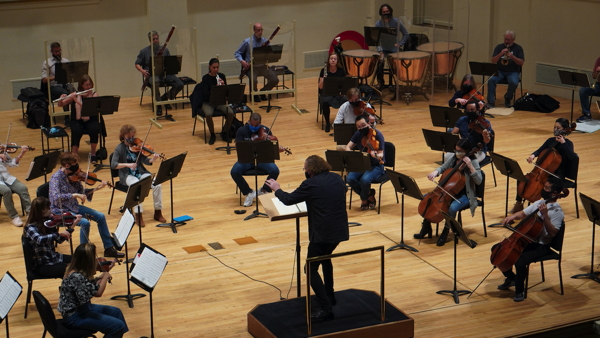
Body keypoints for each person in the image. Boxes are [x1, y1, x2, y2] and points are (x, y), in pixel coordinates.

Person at [264, 155, 348, 321]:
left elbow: (288, 200)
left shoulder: (310, 184)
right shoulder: (337, 178)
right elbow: (339, 191)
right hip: (340, 231)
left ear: (309, 171)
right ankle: (330, 296)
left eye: (305, 169)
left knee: (309, 269)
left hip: (322, 234)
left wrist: (277, 188)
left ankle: (326, 309)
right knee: (325, 259)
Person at [496, 177, 564, 302]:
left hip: (542, 246)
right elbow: (522, 214)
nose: (543, 190)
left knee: (520, 261)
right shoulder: (539, 203)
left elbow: (553, 233)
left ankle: (519, 290)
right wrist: (511, 217)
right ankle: (511, 278)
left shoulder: (557, 212)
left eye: (546, 188)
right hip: (528, 240)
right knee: (497, 249)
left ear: (554, 193)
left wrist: (545, 216)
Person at [49, 152, 124, 258]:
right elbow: (56, 196)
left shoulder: (73, 175)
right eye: (75, 164)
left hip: (73, 207)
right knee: (84, 223)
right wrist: (74, 195)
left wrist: (97, 188)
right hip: (59, 210)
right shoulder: (55, 179)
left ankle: (109, 248)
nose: (78, 167)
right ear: (67, 166)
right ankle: (83, 254)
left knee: (101, 216)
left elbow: (82, 191)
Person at [414, 138, 483, 246]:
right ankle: (426, 227)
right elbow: (443, 167)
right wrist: (435, 172)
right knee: (426, 199)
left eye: (460, 151)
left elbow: (479, 180)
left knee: (452, 208)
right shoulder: (454, 158)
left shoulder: (473, 162)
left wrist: (470, 167)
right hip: (447, 193)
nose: (457, 153)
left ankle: (445, 231)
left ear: (467, 151)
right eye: (456, 150)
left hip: (465, 195)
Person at [58, 243, 128, 338]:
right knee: (118, 326)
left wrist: (103, 274)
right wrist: (105, 275)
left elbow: (90, 286)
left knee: (116, 312)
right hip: (75, 316)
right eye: (93, 259)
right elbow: (97, 293)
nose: (96, 261)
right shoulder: (76, 277)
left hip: (82, 309)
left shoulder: (75, 269)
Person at [509, 118, 576, 214]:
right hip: (545, 172)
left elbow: (572, 157)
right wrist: (533, 155)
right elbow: (540, 150)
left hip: (557, 175)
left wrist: (563, 143)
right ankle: (518, 204)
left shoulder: (568, 143)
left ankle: (540, 210)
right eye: (554, 127)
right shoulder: (550, 141)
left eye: (558, 128)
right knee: (522, 179)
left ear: (565, 129)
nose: (555, 130)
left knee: (546, 186)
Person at [111, 124, 166, 227]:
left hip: (140, 172)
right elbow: (113, 165)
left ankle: (158, 212)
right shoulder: (119, 148)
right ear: (123, 136)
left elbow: (145, 160)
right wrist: (127, 164)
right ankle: (138, 215)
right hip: (127, 175)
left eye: (133, 136)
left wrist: (153, 159)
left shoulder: (137, 145)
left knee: (157, 184)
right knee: (137, 186)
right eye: (129, 137)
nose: (131, 139)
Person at [231, 112, 282, 207]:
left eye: (257, 124)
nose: (254, 126)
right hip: (247, 159)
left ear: (260, 122)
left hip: (262, 159)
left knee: (275, 170)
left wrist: (271, 145)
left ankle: (264, 190)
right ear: (249, 121)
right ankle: (248, 192)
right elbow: (238, 147)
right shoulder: (242, 130)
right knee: (234, 171)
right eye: (252, 124)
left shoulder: (266, 130)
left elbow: (270, 147)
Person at [23, 197, 81, 278]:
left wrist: (73, 225)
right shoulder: (30, 227)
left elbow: (59, 240)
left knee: (80, 261)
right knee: (73, 269)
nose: (51, 210)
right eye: (49, 208)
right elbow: (39, 239)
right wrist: (59, 233)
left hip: (53, 257)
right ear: (43, 211)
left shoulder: (47, 222)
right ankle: (68, 289)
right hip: (43, 265)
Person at [135, 30, 184, 117]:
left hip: (165, 74)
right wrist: (142, 71)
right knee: (155, 82)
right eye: (153, 39)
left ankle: (164, 98)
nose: (156, 41)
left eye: (157, 39)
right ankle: (159, 106)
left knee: (179, 84)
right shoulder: (144, 51)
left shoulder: (165, 50)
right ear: (150, 40)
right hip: (153, 75)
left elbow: (170, 62)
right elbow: (137, 64)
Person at [57, 75, 102, 163]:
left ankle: (93, 154)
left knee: (94, 129)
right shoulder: (75, 94)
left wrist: (76, 101)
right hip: (77, 120)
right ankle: (75, 155)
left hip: (91, 119)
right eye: (87, 85)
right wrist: (61, 98)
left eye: (90, 84)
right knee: (76, 130)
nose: (89, 87)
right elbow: (60, 105)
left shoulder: (94, 94)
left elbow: (90, 108)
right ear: (82, 86)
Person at [345, 115, 385, 211]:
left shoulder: (378, 135)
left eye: (363, 125)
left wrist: (375, 155)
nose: (361, 128)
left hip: (376, 165)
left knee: (364, 180)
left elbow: (381, 154)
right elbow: (347, 147)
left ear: (369, 123)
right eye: (358, 127)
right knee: (349, 179)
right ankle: (369, 195)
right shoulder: (358, 134)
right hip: (362, 164)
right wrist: (352, 155)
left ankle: (364, 199)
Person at [234, 23, 279, 103]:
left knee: (275, 79)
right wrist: (242, 61)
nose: (260, 32)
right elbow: (237, 53)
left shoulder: (265, 41)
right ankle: (254, 94)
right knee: (253, 80)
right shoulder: (247, 42)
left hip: (262, 66)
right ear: (254, 30)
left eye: (261, 30)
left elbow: (271, 53)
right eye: (258, 30)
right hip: (251, 67)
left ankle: (262, 92)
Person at [197, 58, 235, 145]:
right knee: (208, 114)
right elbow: (205, 93)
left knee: (230, 113)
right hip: (208, 102)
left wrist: (224, 86)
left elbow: (226, 92)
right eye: (214, 67)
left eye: (217, 67)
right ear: (209, 67)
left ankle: (225, 132)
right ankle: (212, 134)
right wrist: (215, 88)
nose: (216, 69)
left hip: (219, 102)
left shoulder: (222, 76)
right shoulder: (205, 78)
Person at [375, 3, 409, 89]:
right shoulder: (378, 24)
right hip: (384, 48)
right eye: (384, 12)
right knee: (379, 62)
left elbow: (406, 33)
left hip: (394, 48)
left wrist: (400, 44)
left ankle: (396, 83)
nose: (386, 13)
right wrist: (380, 50)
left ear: (390, 12)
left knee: (396, 63)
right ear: (381, 13)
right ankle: (380, 82)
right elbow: (377, 39)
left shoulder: (396, 21)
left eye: (387, 11)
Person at [487, 30, 524, 108]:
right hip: (500, 71)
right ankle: (491, 102)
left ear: (513, 39)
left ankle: (508, 97)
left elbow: (521, 63)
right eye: (505, 39)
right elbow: (493, 60)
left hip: (513, 71)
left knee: (514, 82)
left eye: (508, 40)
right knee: (491, 80)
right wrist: (500, 53)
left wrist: (512, 57)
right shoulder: (499, 47)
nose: (506, 41)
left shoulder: (518, 48)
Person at [0, 145, 31, 226]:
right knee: (7, 191)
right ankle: (14, 217)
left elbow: (12, 164)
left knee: (22, 188)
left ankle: (30, 213)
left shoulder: (3, 151)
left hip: (6, 177)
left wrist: (22, 153)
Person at [319, 53, 347, 133]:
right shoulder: (323, 70)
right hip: (326, 93)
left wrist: (343, 92)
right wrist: (324, 80)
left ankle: (343, 122)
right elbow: (320, 87)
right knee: (325, 102)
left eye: (335, 59)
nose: (333, 60)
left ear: (337, 61)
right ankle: (327, 123)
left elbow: (344, 84)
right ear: (329, 60)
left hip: (338, 93)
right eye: (331, 59)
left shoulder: (341, 70)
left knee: (346, 100)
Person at [577, 56, 600, 122]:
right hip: (599, 85)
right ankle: (587, 114)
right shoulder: (599, 59)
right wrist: (598, 73)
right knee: (583, 90)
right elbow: (593, 76)